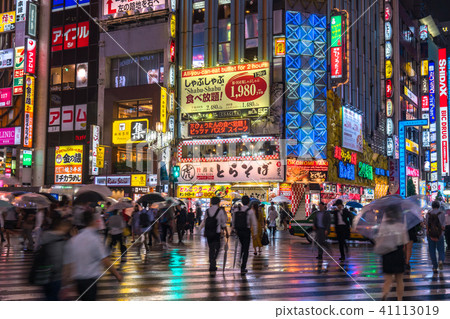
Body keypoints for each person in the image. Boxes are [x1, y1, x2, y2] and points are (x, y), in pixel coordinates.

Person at [63, 210, 122, 301]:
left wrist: (66, 284)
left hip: (78, 280)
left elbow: (68, 263)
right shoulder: (95, 239)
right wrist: (117, 275)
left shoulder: (74, 239)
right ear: (93, 221)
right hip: (90, 280)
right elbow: (105, 260)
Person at [37, 216, 72, 300]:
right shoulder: (64, 241)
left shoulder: (45, 235)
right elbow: (66, 262)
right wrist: (67, 282)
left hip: (44, 273)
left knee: (48, 296)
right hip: (57, 277)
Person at [379, 204, 408, 301]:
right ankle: (399, 299)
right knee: (399, 279)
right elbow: (405, 242)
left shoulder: (383, 226)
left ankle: (385, 293)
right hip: (398, 252)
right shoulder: (401, 226)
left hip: (387, 252)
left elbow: (380, 239)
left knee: (388, 279)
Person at [200, 197, 229, 273]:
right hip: (217, 232)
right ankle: (213, 261)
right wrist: (227, 232)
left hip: (209, 232)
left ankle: (212, 264)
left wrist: (201, 230)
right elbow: (223, 223)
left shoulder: (207, 210)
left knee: (211, 248)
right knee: (218, 248)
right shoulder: (220, 211)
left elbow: (204, 221)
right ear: (218, 202)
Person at [232, 195, 257, 275]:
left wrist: (233, 229)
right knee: (246, 248)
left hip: (238, 231)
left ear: (241, 202)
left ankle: (240, 258)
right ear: (249, 202)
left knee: (242, 245)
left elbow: (233, 220)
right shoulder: (250, 211)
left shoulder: (236, 210)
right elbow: (254, 223)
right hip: (246, 231)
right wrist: (255, 234)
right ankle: (243, 267)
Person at [426, 201, 446, 272]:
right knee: (441, 250)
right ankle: (441, 261)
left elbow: (427, 224)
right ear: (439, 206)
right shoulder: (442, 213)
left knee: (432, 250)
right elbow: (444, 225)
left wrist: (428, 231)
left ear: (432, 206)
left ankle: (434, 266)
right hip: (440, 234)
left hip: (430, 234)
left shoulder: (428, 214)